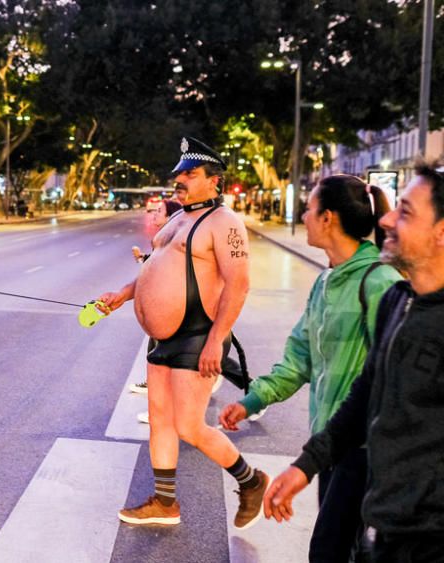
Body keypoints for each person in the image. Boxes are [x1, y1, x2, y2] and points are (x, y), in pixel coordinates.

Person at [264, 162, 444, 562]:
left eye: (406, 211)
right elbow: (366, 393)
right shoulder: (400, 301)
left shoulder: (387, 289)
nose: (387, 218)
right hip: (386, 528)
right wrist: (305, 465)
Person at [219, 175, 400, 562]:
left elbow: (389, 378)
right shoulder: (325, 282)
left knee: (328, 550)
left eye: (310, 208)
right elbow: (299, 358)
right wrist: (252, 400)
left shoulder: (380, 282)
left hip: (364, 447)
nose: (303, 214)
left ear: (328, 218)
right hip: (329, 443)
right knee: (348, 551)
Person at [98, 137, 267, 529]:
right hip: (164, 337)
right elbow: (152, 268)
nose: (181, 180)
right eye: (179, 173)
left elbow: (238, 285)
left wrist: (214, 342)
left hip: (198, 333)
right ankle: (164, 502)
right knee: (160, 419)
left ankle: (251, 480)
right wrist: (122, 295)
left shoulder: (225, 223)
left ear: (215, 181)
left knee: (189, 425)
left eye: (190, 174)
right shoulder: (177, 219)